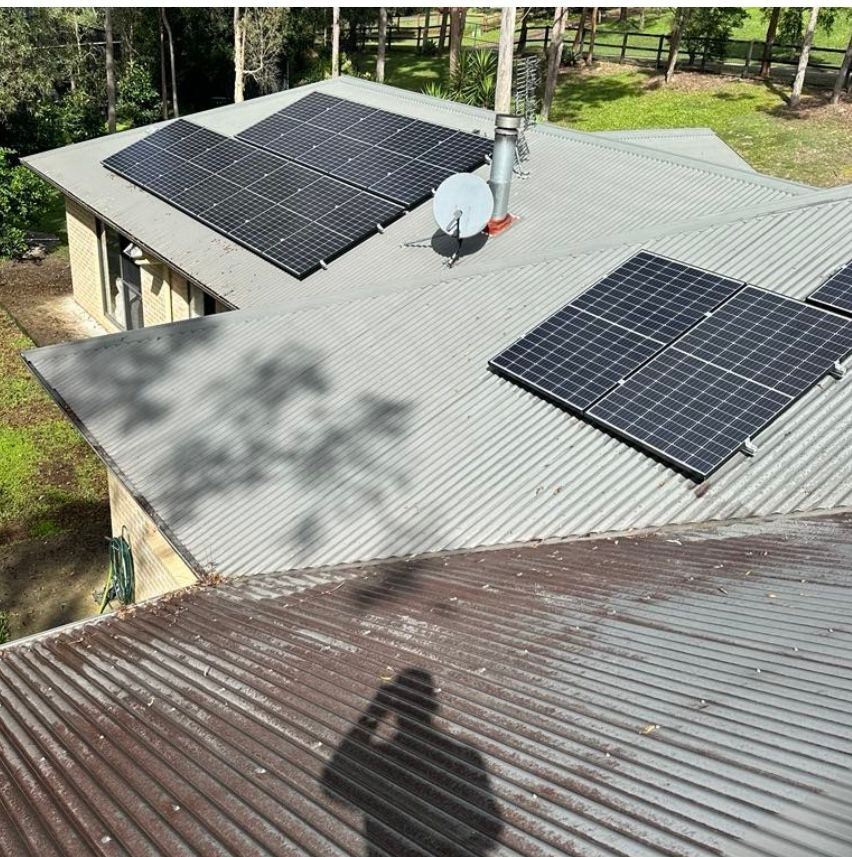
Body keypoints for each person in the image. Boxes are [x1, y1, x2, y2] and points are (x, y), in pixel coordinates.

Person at [322, 668, 503, 856]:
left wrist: (374, 712)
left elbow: (332, 783)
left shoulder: (377, 762)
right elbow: (491, 828)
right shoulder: (466, 757)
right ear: (433, 704)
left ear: (394, 709)